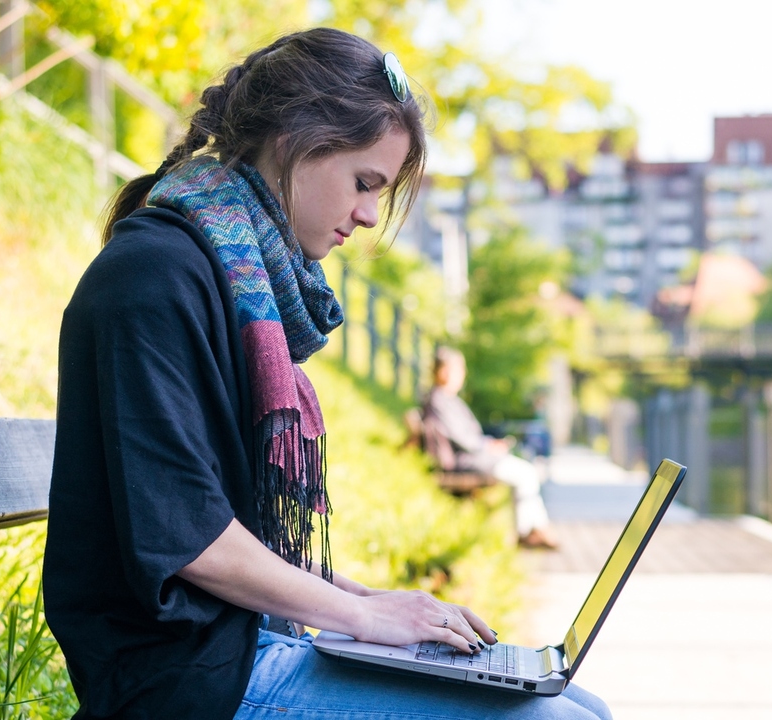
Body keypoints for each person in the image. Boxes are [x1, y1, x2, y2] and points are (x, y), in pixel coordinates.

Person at [41, 28, 611, 720]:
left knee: (577, 703)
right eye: (365, 182)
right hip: (186, 680)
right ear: (293, 141)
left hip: (244, 645)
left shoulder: (224, 274)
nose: (370, 215)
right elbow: (188, 538)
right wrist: (363, 619)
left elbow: (222, 529)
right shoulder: (153, 277)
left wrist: (367, 600)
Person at [422, 347, 560, 549]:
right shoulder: (439, 401)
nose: (463, 375)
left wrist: (489, 444)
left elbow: (467, 436)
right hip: (464, 462)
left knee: (526, 471)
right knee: (525, 473)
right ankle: (528, 531)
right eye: (459, 370)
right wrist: (488, 446)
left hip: (472, 457)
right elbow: (462, 439)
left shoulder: (446, 400)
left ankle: (534, 528)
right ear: (444, 372)